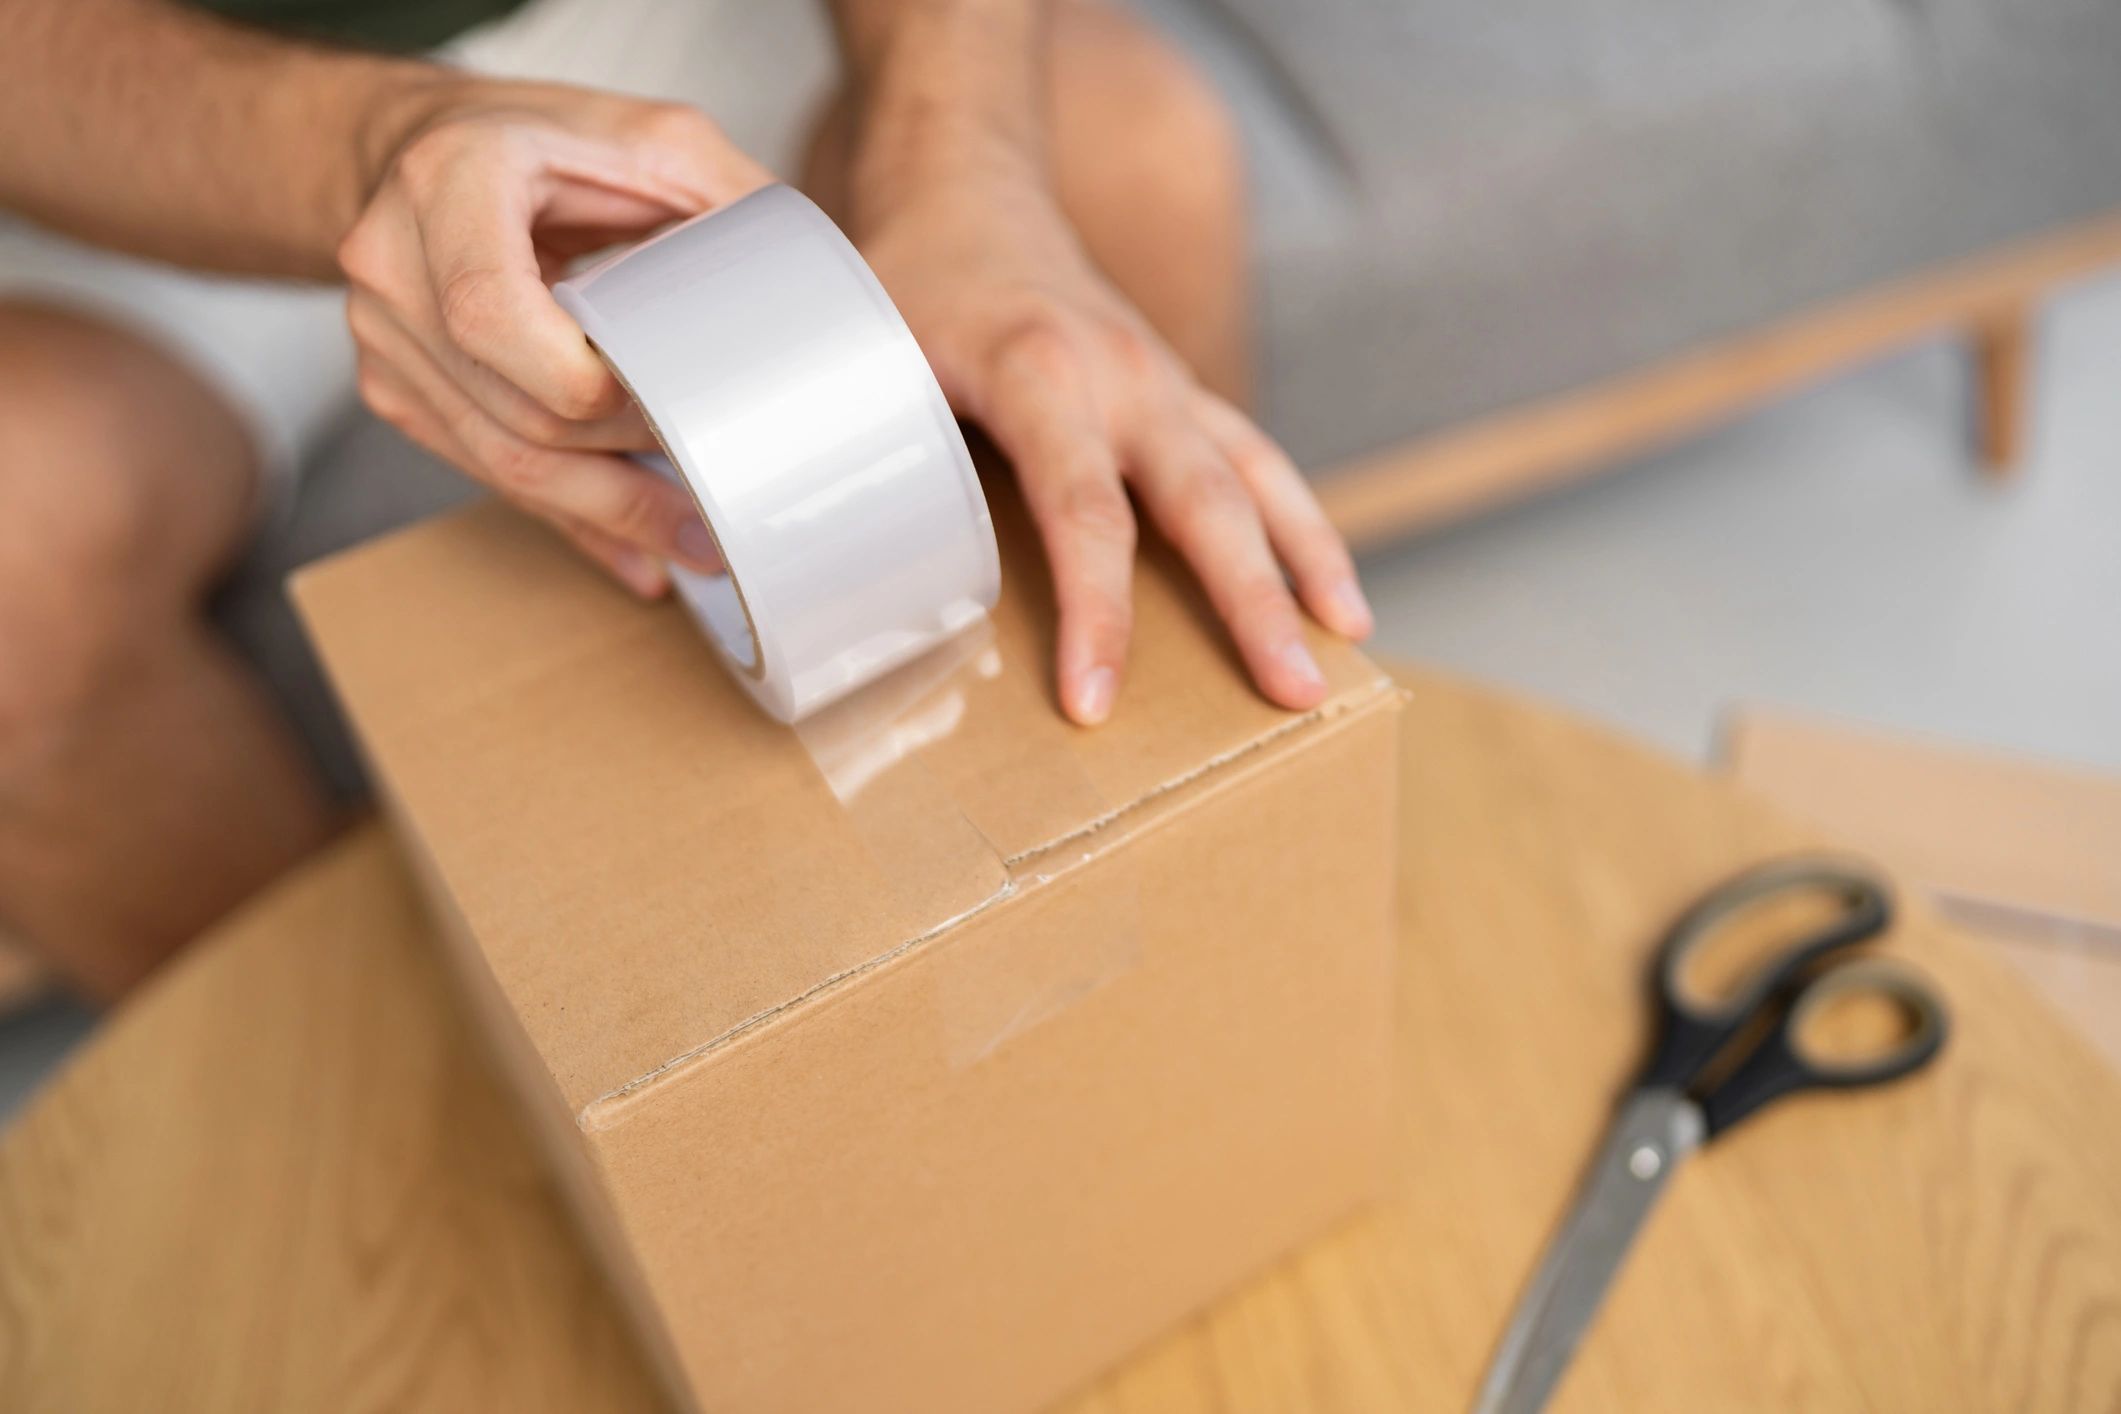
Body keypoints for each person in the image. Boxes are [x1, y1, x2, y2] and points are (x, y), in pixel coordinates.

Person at [0, 0, 1373, 1002]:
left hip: (673, 29)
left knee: (1132, 155)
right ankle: (413, 1107)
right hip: (162, 97)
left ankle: (1155, 902)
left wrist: (962, 173)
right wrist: (372, 144)